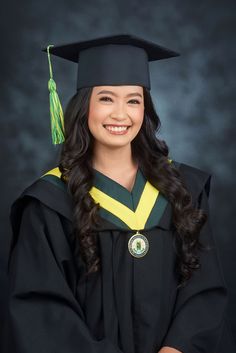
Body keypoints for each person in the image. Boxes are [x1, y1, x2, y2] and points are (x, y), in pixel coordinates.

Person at [3, 34, 228, 353]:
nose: (121, 115)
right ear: (85, 107)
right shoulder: (50, 203)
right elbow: (42, 311)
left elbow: (205, 288)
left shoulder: (184, 188)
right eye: (106, 98)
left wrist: (178, 348)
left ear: (145, 109)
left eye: (133, 100)